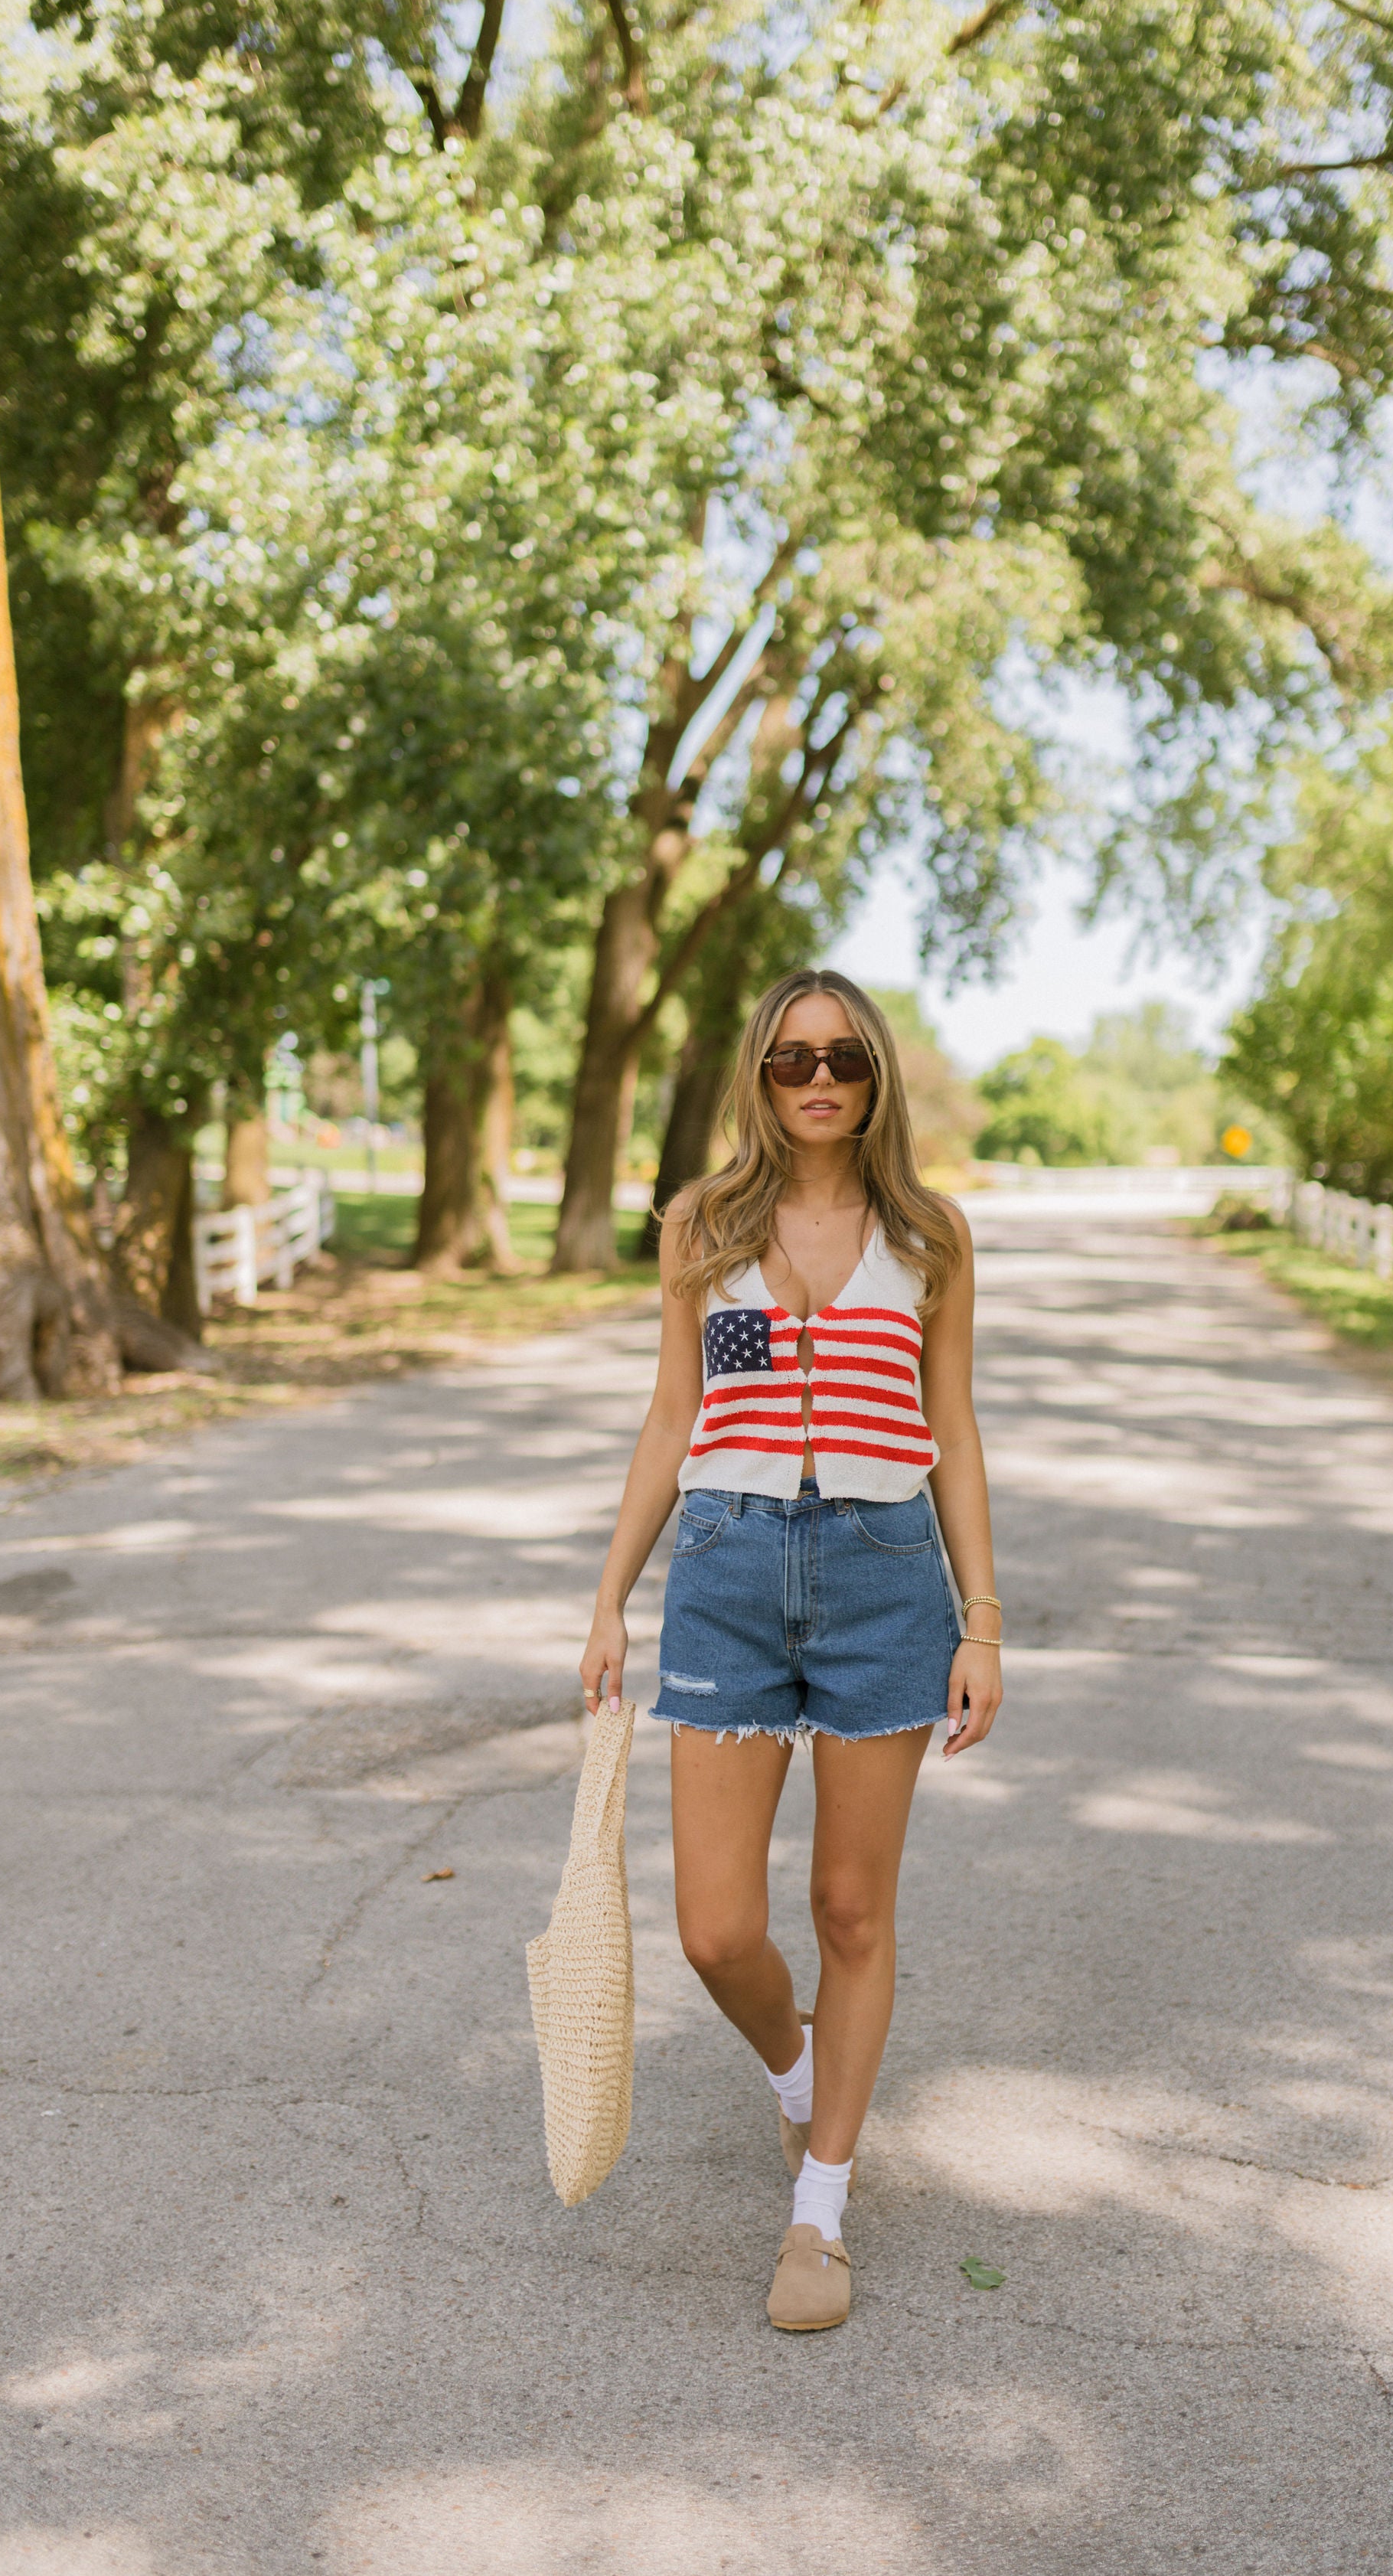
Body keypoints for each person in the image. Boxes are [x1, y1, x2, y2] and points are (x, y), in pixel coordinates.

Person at [577, 968, 1003, 2333]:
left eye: (841, 1058)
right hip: (726, 1570)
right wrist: (609, 1599)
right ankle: (797, 2077)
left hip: (886, 1581)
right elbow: (668, 1418)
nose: (816, 1080)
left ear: (874, 1076)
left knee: (849, 1909)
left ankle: (818, 2208)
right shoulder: (703, 1224)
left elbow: (955, 1432)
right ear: (757, 1081)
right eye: (787, 1061)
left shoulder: (929, 1236)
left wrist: (980, 1622)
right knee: (715, 1928)